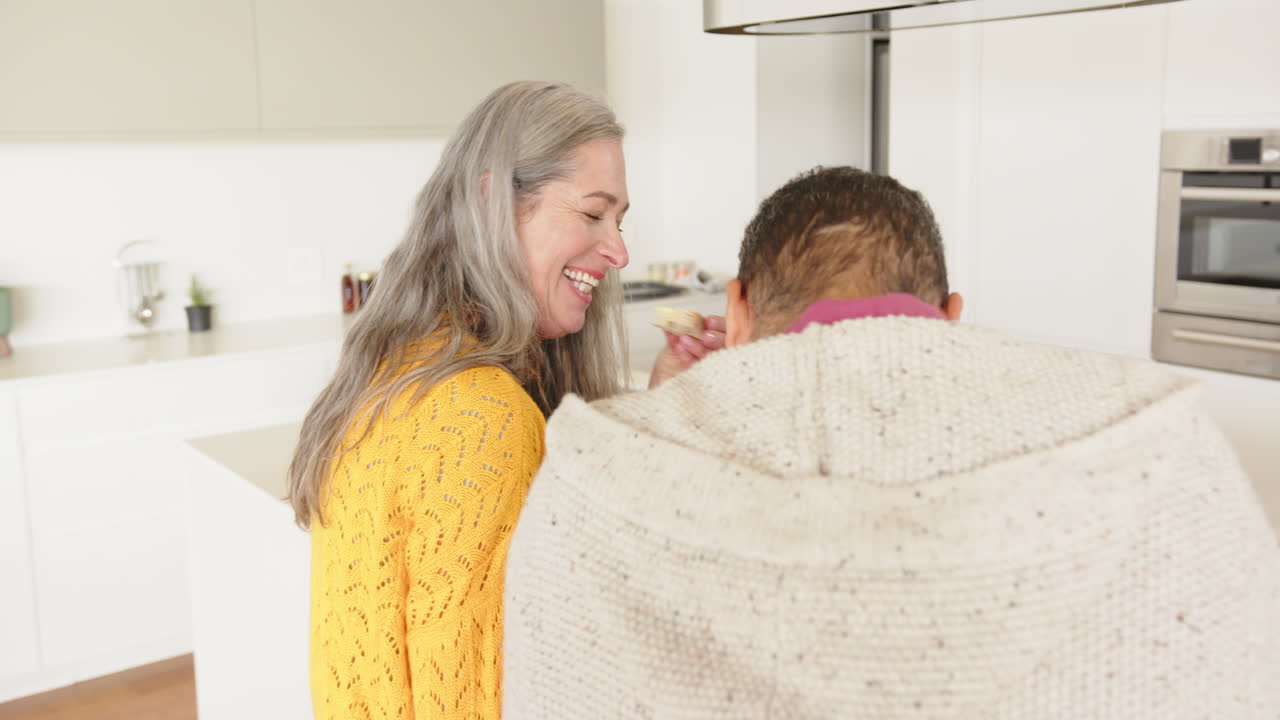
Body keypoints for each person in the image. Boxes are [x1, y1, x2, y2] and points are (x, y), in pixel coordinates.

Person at [503, 166, 1280, 718]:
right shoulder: (1167, 437)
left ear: (736, 307)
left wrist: (664, 416)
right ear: (949, 311)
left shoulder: (589, 472)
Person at [286, 81, 639, 720]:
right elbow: (476, 701)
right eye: (592, 213)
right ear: (491, 201)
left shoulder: (410, 363)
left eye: (620, 219)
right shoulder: (480, 417)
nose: (619, 249)